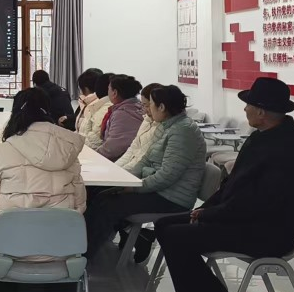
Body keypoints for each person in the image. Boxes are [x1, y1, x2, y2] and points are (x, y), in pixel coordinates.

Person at [154, 78, 294, 292]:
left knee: (175, 236)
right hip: (242, 219)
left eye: (248, 105)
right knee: (163, 225)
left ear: (261, 111)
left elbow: (257, 204)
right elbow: (232, 185)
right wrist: (205, 210)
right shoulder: (262, 137)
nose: (245, 109)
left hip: (266, 231)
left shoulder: (288, 149)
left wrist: (210, 215)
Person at [0, 87, 86, 280]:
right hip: (62, 252)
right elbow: (80, 205)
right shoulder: (69, 153)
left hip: (8, 251)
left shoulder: (2, 151)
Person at [84, 85, 205, 260]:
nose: (146, 109)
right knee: (100, 194)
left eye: (150, 105)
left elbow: (167, 176)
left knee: (108, 205)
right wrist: (122, 179)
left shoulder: (183, 131)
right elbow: (145, 159)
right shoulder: (166, 125)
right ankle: (84, 247)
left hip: (172, 198)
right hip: (157, 189)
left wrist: (134, 188)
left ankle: (84, 255)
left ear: (161, 107)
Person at [94, 75, 144, 161]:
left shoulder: (123, 114)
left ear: (115, 93)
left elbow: (112, 148)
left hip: (120, 161)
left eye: (108, 89)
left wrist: (93, 156)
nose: (107, 92)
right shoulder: (136, 107)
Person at [114, 83, 163, 170]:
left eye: (147, 105)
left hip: (138, 171)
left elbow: (143, 158)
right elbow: (133, 148)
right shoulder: (147, 120)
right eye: (143, 105)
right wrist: (115, 167)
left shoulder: (162, 128)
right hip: (130, 168)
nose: (145, 109)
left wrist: (122, 172)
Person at [79, 73, 114, 150]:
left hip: (90, 151)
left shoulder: (106, 109)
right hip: (84, 147)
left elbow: (95, 142)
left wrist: (74, 142)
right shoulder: (96, 105)